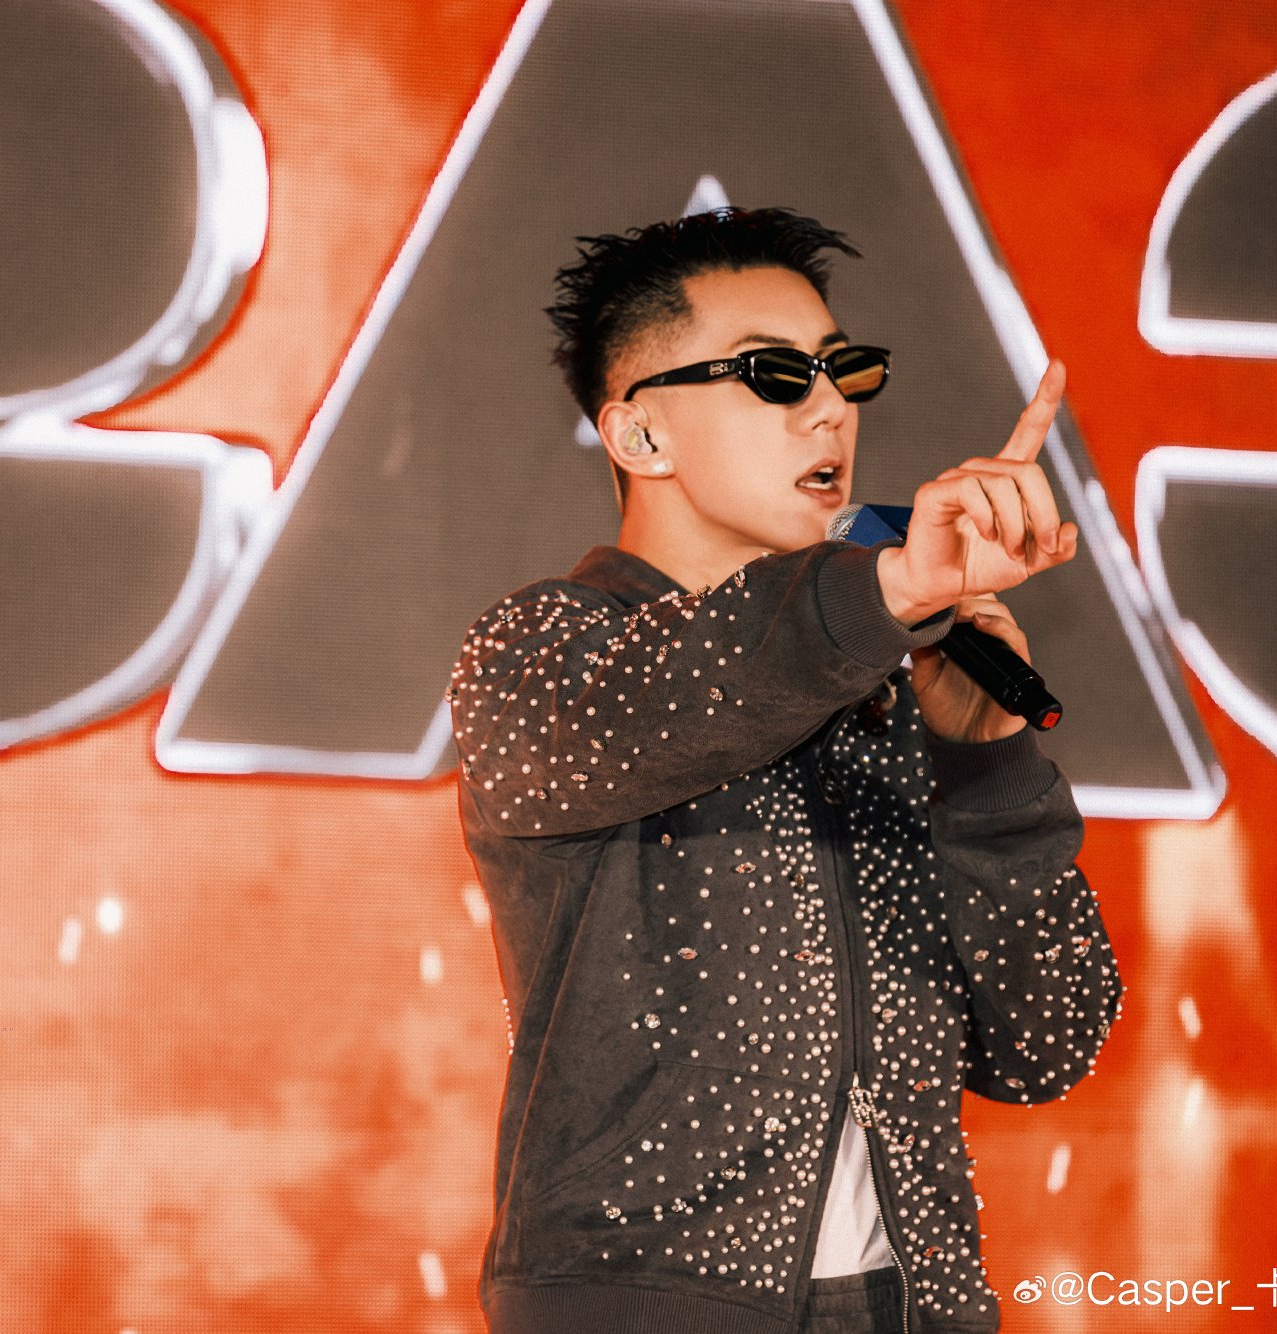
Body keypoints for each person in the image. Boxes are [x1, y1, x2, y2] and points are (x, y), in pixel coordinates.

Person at [447, 207, 1125, 1334]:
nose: (830, 409)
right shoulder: (542, 654)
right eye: (772, 375)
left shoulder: (880, 689)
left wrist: (984, 766)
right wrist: (885, 590)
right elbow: (703, 681)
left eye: (842, 371)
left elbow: (1046, 1040)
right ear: (638, 434)